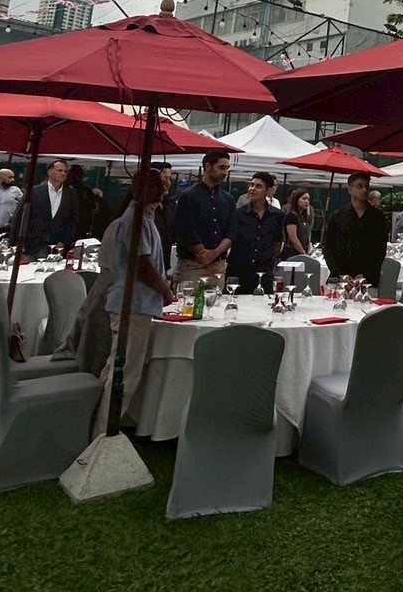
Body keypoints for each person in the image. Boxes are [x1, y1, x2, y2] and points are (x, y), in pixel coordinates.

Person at [96, 168, 176, 430]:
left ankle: (97, 425)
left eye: (164, 185)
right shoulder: (135, 220)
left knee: (115, 369)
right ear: (139, 187)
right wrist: (165, 290)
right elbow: (142, 266)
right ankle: (104, 432)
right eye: (156, 185)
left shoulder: (146, 218)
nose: (162, 190)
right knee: (125, 375)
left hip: (136, 304)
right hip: (132, 304)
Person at [172, 150, 234, 287]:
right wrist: (205, 256)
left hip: (219, 265)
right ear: (208, 166)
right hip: (193, 266)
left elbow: (231, 231)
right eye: (221, 167)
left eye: (227, 168)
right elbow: (186, 230)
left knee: (216, 300)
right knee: (189, 300)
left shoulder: (228, 199)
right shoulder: (189, 196)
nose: (225, 172)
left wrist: (215, 253)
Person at [322, 172, 389, 287]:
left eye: (366, 186)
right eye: (359, 186)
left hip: (368, 280)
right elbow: (329, 248)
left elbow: (380, 250)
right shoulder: (338, 216)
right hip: (342, 279)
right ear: (349, 189)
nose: (364, 190)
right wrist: (340, 275)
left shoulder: (378, 217)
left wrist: (366, 275)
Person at [227, 173, 284, 293]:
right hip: (240, 269)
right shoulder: (239, 213)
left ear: (268, 191)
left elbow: (277, 240)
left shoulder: (277, 215)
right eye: (251, 185)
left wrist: (271, 260)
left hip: (264, 270)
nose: (252, 189)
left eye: (258, 186)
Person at [24, 158, 81, 257]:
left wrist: (65, 241)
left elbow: (73, 220)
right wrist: (17, 242)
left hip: (58, 243)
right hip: (34, 241)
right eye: (60, 170)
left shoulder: (71, 194)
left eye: (65, 171)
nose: (63, 173)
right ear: (49, 172)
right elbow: (22, 216)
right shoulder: (34, 191)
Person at [281, 189, 315, 259]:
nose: (307, 201)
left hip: (304, 251)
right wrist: (303, 253)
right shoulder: (291, 216)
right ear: (296, 200)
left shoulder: (304, 217)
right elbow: (293, 238)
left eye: (308, 199)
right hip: (292, 253)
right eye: (304, 199)